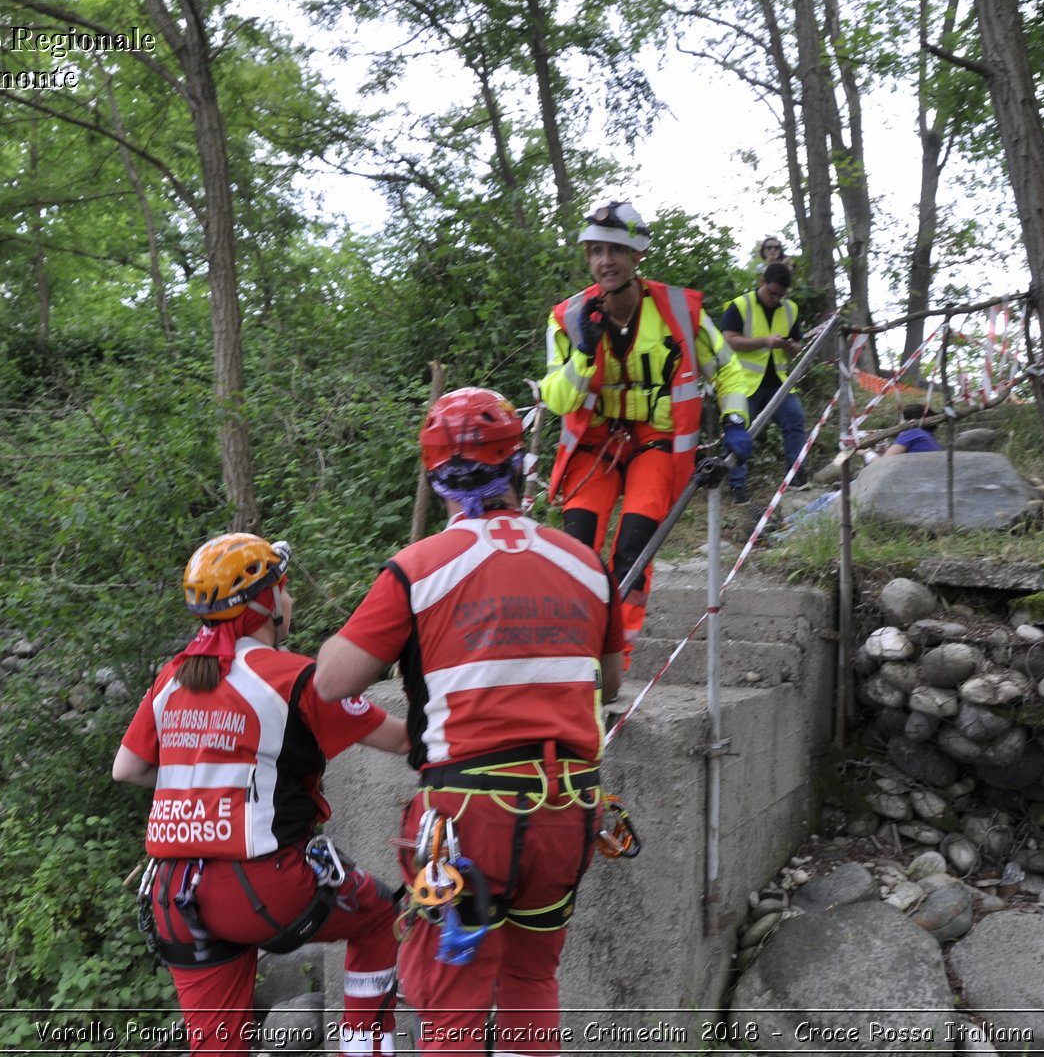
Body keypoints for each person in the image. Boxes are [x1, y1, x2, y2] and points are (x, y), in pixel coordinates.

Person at [312, 387, 626, 1055]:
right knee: (532, 979)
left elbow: (331, 681)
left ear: (434, 476)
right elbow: (611, 680)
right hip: (568, 807)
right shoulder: (587, 562)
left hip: (467, 816)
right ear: (519, 466)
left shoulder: (418, 568)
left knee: (451, 1001)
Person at [113, 533, 410, 1057]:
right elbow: (405, 740)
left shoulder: (172, 677)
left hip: (175, 894)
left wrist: (203, 782)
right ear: (263, 604)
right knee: (380, 916)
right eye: (284, 589)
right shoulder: (293, 677)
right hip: (263, 885)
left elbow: (127, 768)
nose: (290, 601)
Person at [539, 199, 751, 652]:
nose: (604, 261)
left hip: (656, 444)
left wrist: (736, 421)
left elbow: (729, 371)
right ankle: (574, 654)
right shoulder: (567, 319)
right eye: (595, 251)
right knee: (576, 550)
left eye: (614, 250)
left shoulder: (678, 311)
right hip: (595, 446)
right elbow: (557, 399)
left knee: (634, 547)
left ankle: (615, 658)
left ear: (637, 256)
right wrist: (583, 351)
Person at [719, 261, 811, 503]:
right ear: (762, 283)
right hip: (742, 383)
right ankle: (737, 487)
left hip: (777, 383)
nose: (776, 299)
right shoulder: (741, 305)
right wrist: (763, 341)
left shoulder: (790, 309)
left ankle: (797, 476)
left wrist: (791, 346)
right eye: (773, 294)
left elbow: (798, 344)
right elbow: (727, 340)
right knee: (739, 432)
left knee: (795, 421)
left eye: (782, 295)